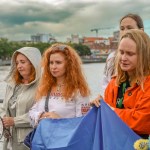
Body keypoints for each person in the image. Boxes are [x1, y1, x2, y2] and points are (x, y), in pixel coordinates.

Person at [92, 29, 150, 139]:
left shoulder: (147, 85)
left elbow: (142, 122)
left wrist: (111, 111)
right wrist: (99, 106)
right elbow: (105, 120)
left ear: (144, 56)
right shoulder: (114, 83)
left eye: (130, 54)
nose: (123, 58)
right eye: (121, 52)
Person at [29, 43, 90, 127]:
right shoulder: (45, 88)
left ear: (69, 65)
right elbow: (31, 113)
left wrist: (60, 120)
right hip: (44, 138)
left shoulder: (78, 91)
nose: (53, 67)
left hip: (65, 138)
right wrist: (43, 115)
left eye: (58, 62)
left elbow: (83, 123)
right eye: (51, 63)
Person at [0, 47, 41, 150]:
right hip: (9, 141)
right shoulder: (12, 84)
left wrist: (15, 121)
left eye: (22, 62)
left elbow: (42, 113)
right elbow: (4, 108)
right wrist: (4, 126)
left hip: (29, 141)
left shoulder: (43, 86)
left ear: (33, 63)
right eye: (17, 63)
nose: (19, 66)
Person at [101, 13, 144, 96]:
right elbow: (106, 86)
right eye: (122, 28)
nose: (125, 32)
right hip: (115, 104)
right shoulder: (112, 58)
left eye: (129, 28)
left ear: (141, 31)